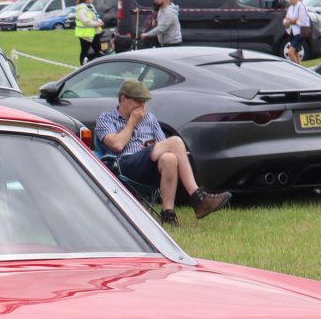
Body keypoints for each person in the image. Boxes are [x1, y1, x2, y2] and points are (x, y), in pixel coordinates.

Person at [94, 78, 230, 225]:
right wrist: (132, 122)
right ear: (123, 99)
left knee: (169, 158)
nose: (142, 106)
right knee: (176, 141)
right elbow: (117, 145)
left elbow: (163, 145)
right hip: (123, 166)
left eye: (144, 102)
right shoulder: (106, 119)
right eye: (138, 101)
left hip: (149, 167)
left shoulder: (150, 119)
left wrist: (152, 147)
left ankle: (168, 213)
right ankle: (197, 198)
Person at [283, 0, 312, 64]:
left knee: (290, 52)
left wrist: (290, 21)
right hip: (293, 32)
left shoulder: (301, 6)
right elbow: (285, 20)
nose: (290, 0)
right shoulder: (290, 7)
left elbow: (301, 21)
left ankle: (297, 70)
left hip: (300, 33)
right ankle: (300, 71)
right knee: (296, 53)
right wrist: (290, 21)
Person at [73, 0, 102, 65]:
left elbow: (95, 16)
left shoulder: (91, 6)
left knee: (98, 50)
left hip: (93, 32)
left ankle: (97, 65)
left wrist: (99, 21)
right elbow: (85, 21)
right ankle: (82, 66)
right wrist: (96, 24)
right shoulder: (82, 8)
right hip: (85, 34)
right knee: (85, 51)